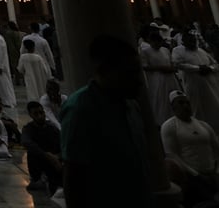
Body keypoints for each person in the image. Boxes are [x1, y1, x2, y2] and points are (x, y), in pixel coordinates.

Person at [60, 34, 153, 208]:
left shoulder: (131, 106)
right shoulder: (80, 109)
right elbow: (74, 175)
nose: (139, 81)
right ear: (105, 70)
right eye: (129, 73)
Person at [160, 91, 219, 205]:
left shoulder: (203, 125)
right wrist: (196, 174)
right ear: (173, 107)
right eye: (181, 103)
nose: (185, 105)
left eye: (187, 103)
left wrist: (218, 171)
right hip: (191, 177)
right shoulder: (169, 126)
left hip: (213, 174)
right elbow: (172, 155)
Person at [171, 30, 219, 136]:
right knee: (197, 107)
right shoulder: (178, 51)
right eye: (190, 41)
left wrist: (209, 68)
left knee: (215, 105)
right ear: (183, 42)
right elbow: (177, 64)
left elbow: (215, 63)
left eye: (194, 41)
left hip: (210, 83)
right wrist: (198, 68)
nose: (193, 43)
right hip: (194, 84)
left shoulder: (201, 51)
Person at [20, 101, 62, 197]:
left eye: (41, 113)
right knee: (32, 151)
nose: (39, 116)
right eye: (36, 114)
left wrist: (57, 157)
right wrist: (47, 155)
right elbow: (25, 142)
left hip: (54, 162)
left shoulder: (52, 128)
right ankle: (39, 179)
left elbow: (62, 144)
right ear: (31, 115)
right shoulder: (28, 128)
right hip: (40, 162)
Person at [139, 26, 179, 125]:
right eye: (155, 42)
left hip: (169, 77)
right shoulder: (145, 51)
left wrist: (171, 68)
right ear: (150, 41)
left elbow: (171, 62)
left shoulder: (165, 50)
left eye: (159, 42)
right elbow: (145, 66)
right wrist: (161, 68)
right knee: (161, 99)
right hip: (157, 78)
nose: (157, 44)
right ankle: (162, 120)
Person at [17, 38, 52, 103]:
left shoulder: (23, 57)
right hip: (40, 79)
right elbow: (45, 70)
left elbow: (20, 69)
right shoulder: (38, 57)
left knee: (32, 93)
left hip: (29, 79)